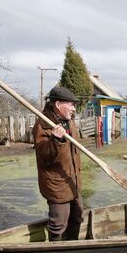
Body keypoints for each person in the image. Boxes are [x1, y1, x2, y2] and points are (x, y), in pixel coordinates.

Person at [33, 86, 83, 241]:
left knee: (77, 217)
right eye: (70, 104)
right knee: (58, 224)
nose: (73, 108)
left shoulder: (69, 121)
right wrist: (55, 140)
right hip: (57, 185)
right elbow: (43, 156)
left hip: (73, 179)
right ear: (58, 104)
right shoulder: (44, 125)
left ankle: (72, 246)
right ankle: (54, 251)